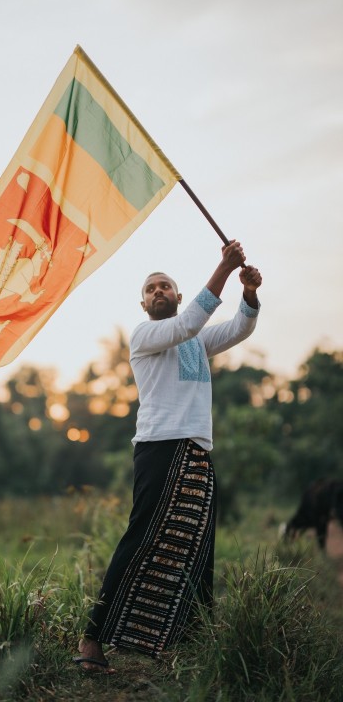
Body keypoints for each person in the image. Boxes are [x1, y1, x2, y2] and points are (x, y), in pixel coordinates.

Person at [73, 240, 262, 673]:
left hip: (197, 450)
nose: (159, 292)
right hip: (160, 449)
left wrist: (248, 293)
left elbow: (237, 329)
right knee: (140, 539)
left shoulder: (195, 340)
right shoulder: (147, 336)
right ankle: (92, 639)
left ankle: (192, 644)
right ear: (143, 303)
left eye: (166, 287)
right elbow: (191, 322)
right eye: (151, 288)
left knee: (197, 546)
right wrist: (223, 268)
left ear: (177, 296)